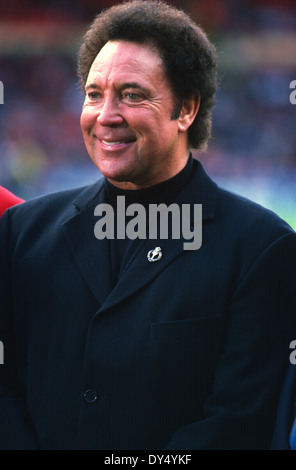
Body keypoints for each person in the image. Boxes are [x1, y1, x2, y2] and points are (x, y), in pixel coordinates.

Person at [0, 0, 296, 450]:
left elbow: (240, 424)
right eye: (94, 94)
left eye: (132, 94)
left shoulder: (261, 248)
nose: (106, 115)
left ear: (186, 110)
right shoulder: (21, 234)